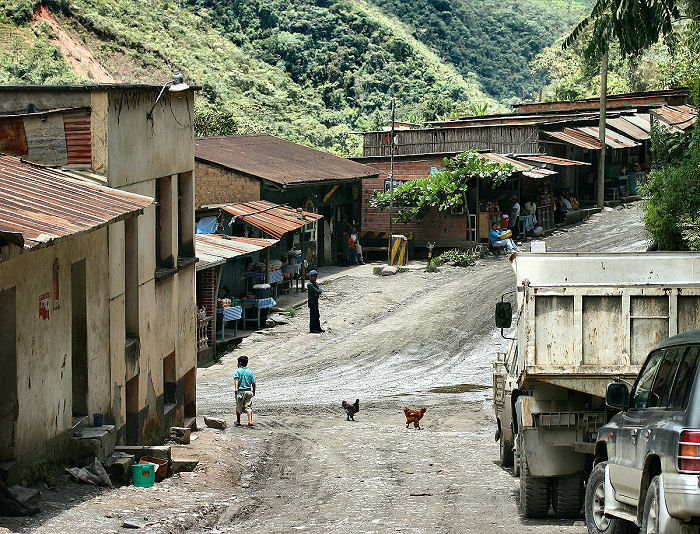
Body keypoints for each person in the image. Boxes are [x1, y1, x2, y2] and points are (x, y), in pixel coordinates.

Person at [234, 355, 256, 427]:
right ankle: (250, 421)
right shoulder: (250, 372)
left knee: (239, 406)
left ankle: (238, 421)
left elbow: (236, 380)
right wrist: (254, 392)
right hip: (249, 391)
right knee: (248, 406)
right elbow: (253, 383)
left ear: (239, 363)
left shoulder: (237, 371)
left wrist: (236, 389)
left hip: (240, 391)